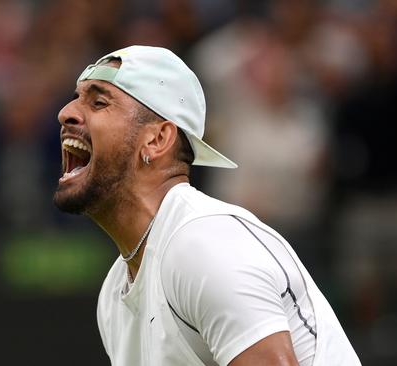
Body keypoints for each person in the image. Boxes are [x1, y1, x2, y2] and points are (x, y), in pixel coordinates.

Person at [53, 45, 360, 366]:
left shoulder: (203, 244)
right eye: (77, 97)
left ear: (157, 140)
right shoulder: (115, 293)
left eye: (99, 102)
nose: (66, 112)